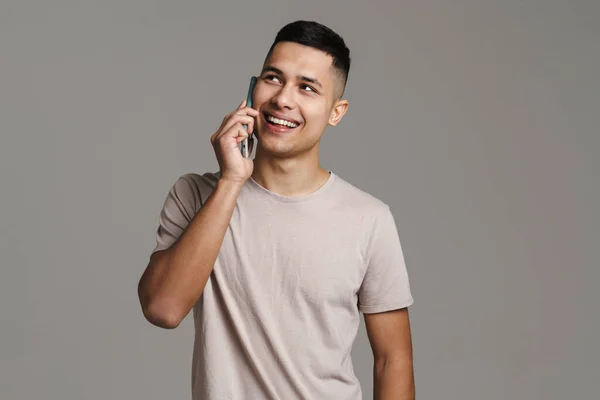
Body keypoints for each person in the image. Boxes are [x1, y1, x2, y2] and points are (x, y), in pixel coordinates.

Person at [138, 20, 415, 400]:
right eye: (273, 78)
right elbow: (163, 309)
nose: (283, 99)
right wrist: (231, 182)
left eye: (307, 87)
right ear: (252, 88)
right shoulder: (197, 194)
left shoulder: (369, 219)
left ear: (336, 112)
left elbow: (392, 359)